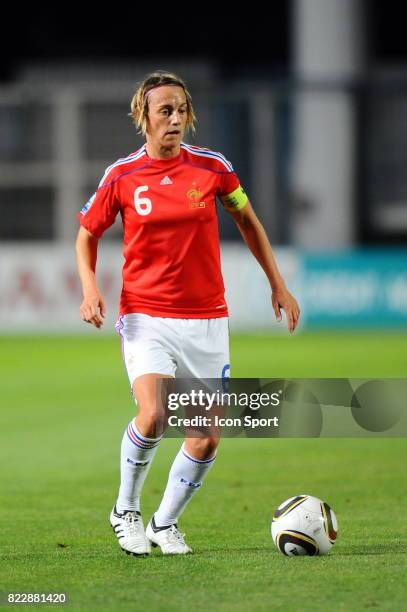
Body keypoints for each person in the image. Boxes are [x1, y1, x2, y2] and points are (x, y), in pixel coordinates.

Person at [75, 70, 300, 556]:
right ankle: (125, 510)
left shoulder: (214, 168)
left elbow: (248, 220)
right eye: (165, 111)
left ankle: (164, 522)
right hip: (145, 313)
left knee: (206, 436)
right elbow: (87, 234)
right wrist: (91, 289)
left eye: (181, 110)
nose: (175, 119)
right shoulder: (122, 176)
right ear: (144, 117)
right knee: (154, 414)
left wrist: (277, 283)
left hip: (206, 318)